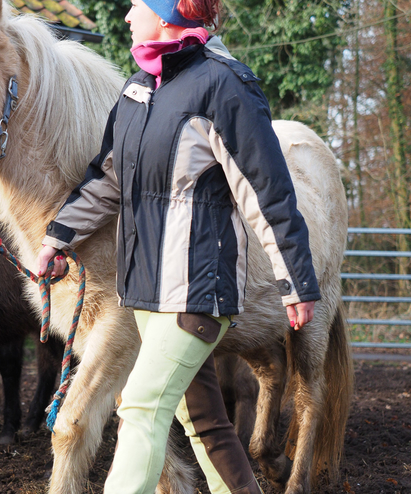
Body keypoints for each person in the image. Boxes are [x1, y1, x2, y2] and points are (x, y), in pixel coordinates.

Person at [38, 0, 320, 492]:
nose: (127, 16)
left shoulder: (224, 85)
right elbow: (108, 179)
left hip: (198, 289)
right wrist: (58, 238)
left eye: (137, 5)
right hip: (145, 291)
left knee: (141, 407)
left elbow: (266, 191)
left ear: (167, 12)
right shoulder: (139, 88)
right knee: (203, 422)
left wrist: (295, 281)